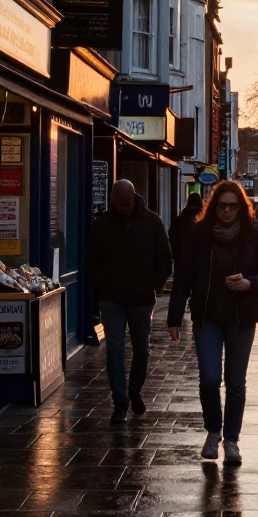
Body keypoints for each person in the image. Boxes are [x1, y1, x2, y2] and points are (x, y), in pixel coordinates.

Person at [167, 181, 258, 465]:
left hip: (242, 318)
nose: (227, 211)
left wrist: (249, 283)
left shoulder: (254, 234)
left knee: (236, 382)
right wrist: (174, 317)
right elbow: (184, 277)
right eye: (222, 205)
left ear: (241, 208)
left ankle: (232, 440)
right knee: (210, 379)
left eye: (233, 206)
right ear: (213, 206)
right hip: (207, 316)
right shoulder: (198, 234)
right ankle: (213, 432)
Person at [86, 180, 172, 424]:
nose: (122, 208)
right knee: (114, 349)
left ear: (134, 197)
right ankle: (120, 401)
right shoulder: (101, 225)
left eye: (125, 203)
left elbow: (165, 258)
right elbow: (91, 261)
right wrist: (103, 286)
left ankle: (134, 391)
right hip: (112, 299)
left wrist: (152, 284)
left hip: (141, 300)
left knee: (142, 350)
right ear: (112, 200)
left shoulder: (151, 222)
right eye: (117, 204)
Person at [169, 191, 204, 269]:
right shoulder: (201, 218)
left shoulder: (180, 219)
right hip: (196, 261)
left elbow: (172, 237)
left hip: (181, 259)